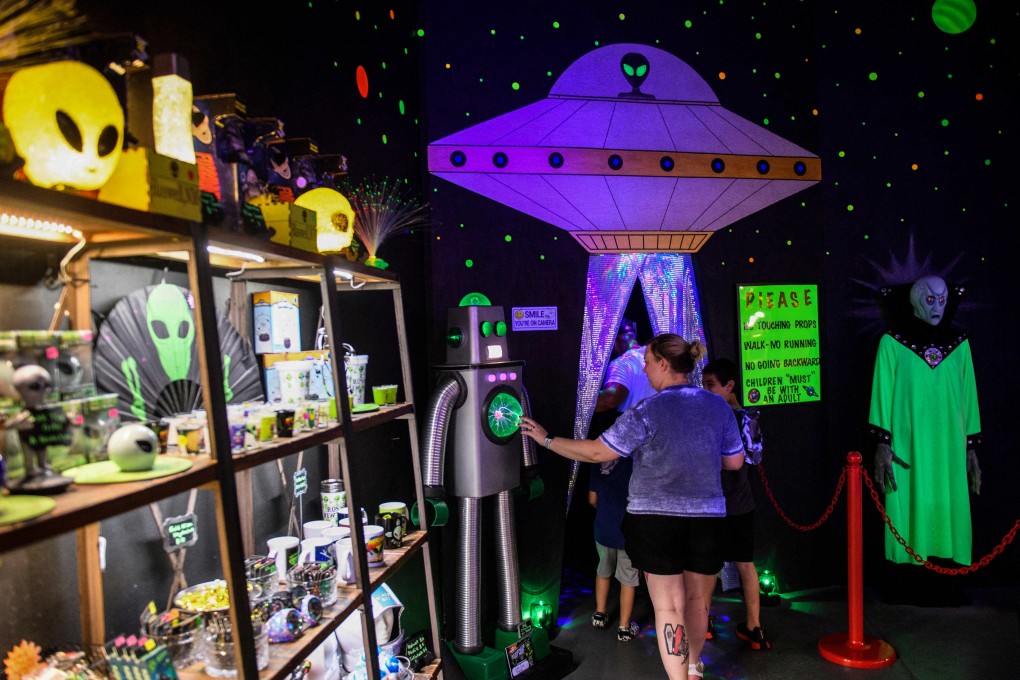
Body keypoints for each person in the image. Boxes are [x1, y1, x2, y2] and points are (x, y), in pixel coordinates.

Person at [520, 334, 744, 680]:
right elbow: (734, 463)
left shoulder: (647, 409)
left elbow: (597, 452)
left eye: (649, 362)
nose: (645, 368)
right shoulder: (717, 406)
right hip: (707, 519)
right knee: (699, 602)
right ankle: (695, 669)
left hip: (656, 522)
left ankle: (679, 678)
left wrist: (546, 439)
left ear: (664, 365)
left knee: (669, 607)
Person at [870, 275, 981, 566]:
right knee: (909, 505)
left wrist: (970, 446)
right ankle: (909, 570)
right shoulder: (893, 343)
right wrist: (882, 442)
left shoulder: (959, 344)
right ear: (915, 301)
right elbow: (881, 392)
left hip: (949, 447)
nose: (938, 307)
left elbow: (968, 395)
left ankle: (949, 569)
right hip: (908, 447)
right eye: (930, 299)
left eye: (943, 300)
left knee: (949, 506)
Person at [701, 358, 770, 650]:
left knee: (708, 567)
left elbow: (749, 458)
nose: (705, 390)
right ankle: (754, 628)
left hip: (719, 503)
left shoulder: (713, 417)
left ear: (729, 386)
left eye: (710, 385)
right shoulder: (745, 417)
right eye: (703, 385)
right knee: (743, 564)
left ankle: (704, 624)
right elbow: (756, 457)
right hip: (737, 503)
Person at [588, 456, 640, 641]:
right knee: (628, 579)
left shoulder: (597, 460)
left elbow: (592, 499)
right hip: (629, 532)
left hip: (603, 528)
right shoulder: (635, 460)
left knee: (603, 571)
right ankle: (624, 628)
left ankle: (599, 615)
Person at [594, 318, 658, 414]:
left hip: (635, 426)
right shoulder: (655, 357)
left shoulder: (623, 362)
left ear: (614, 341)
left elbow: (609, 400)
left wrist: (579, 399)